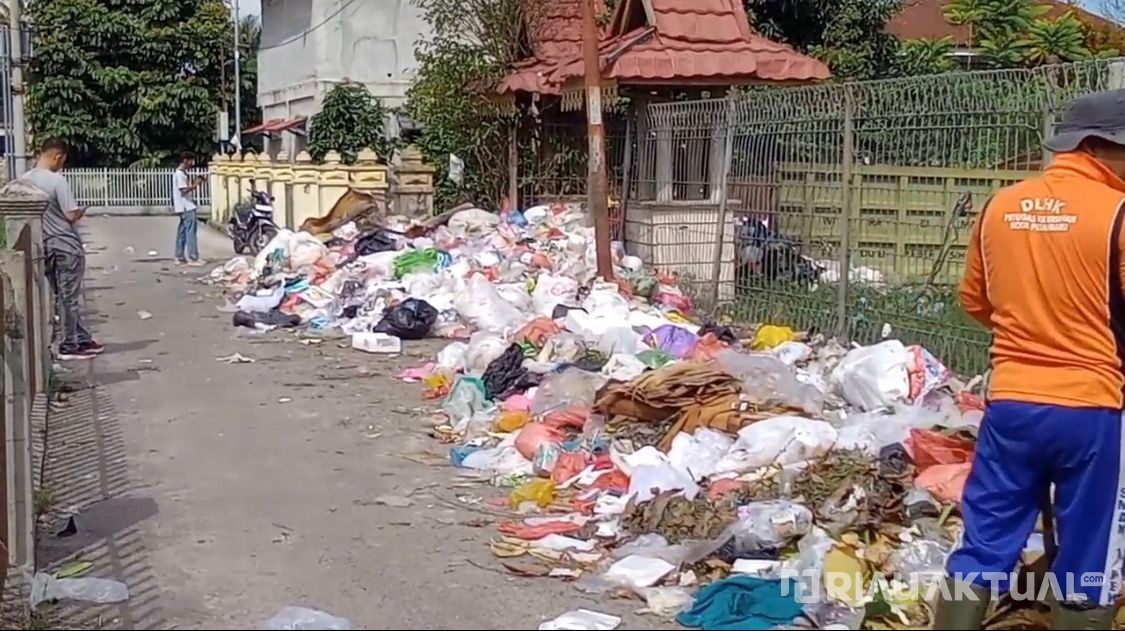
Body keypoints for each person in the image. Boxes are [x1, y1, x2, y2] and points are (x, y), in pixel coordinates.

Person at [935, 89, 1125, 630]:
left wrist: (1032, 334)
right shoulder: (1118, 212)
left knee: (985, 539)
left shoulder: (1001, 204)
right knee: (1091, 549)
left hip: (1012, 403)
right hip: (1093, 409)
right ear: (1102, 147)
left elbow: (975, 299)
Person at [20, 138, 103, 361]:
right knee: (69, 298)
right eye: (63, 160)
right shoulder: (58, 181)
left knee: (62, 295)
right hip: (66, 245)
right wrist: (80, 211)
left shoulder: (24, 181)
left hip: (44, 246)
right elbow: (69, 214)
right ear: (57, 157)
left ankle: (82, 337)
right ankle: (69, 344)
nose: (62, 165)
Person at [173, 151, 205, 265]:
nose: (192, 163)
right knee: (190, 231)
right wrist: (196, 184)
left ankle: (179, 256)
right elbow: (184, 190)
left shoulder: (181, 174)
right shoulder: (180, 174)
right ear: (185, 160)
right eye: (191, 160)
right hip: (187, 206)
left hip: (183, 206)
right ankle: (193, 257)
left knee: (182, 232)